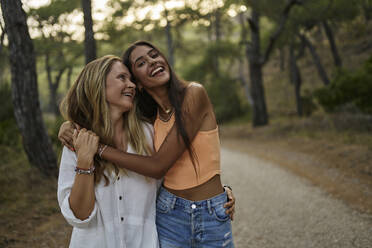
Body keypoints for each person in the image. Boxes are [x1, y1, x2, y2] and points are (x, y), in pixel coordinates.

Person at [59, 41, 236, 247]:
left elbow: (159, 165)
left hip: (203, 214)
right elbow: (79, 215)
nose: (152, 61)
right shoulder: (148, 123)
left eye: (154, 55)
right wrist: (71, 131)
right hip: (167, 216)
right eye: (141, 63)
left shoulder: (183, 102)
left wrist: (217, 191)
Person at [57, 55, 160, 248]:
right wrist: (85, 161)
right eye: (122, 78)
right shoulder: (75, 140)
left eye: (131, 79)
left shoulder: (149, 134)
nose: (131, 85)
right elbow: (80, 216)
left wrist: (219, 192)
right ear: (98, 85)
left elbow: (175, 178)